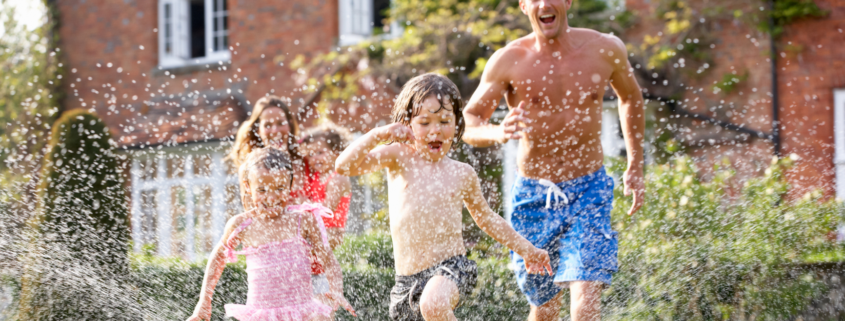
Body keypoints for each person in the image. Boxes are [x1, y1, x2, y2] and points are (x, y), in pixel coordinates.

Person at [461, 0, 646, 320]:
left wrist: (636, 163)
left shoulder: (604, 48)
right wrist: (498, 132)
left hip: (589, 189)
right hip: (534, 196)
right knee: (546, 308)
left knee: (585, 298)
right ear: (523, 5)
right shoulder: (509, 60)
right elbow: (470, 121)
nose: (545, 4)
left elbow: (630, 97)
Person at [335, 73, 553, 321]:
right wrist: (378, 134)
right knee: (430, 307)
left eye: (444, 121)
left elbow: (487, 219)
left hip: (452, 268)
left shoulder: (462, 173)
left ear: (458, 124)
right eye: (425, 123)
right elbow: (344, 166)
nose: (435, 130)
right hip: (406, 283)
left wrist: (527, 250)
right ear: (407, 124)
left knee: (434, 303)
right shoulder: (397, 157)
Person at [186, 148, 355, 321]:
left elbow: (328, 258)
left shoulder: (303, 220)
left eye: (280, 188)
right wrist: (204, 302)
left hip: (303, 312)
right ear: (248, 186)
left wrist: (336, 289)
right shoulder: (243, 224)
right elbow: (218, 258)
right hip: (262, 315)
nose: (271, 197)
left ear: (290, 184)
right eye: (262, 190)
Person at [301, 122, 354, 250]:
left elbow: (328, 209)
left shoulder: (338, 177)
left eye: (320, 152)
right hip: (318, 230)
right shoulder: (317, 176)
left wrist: (302, 207)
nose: (315, 158)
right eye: (311, 154)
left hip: (331, 232)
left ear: (336, 152)